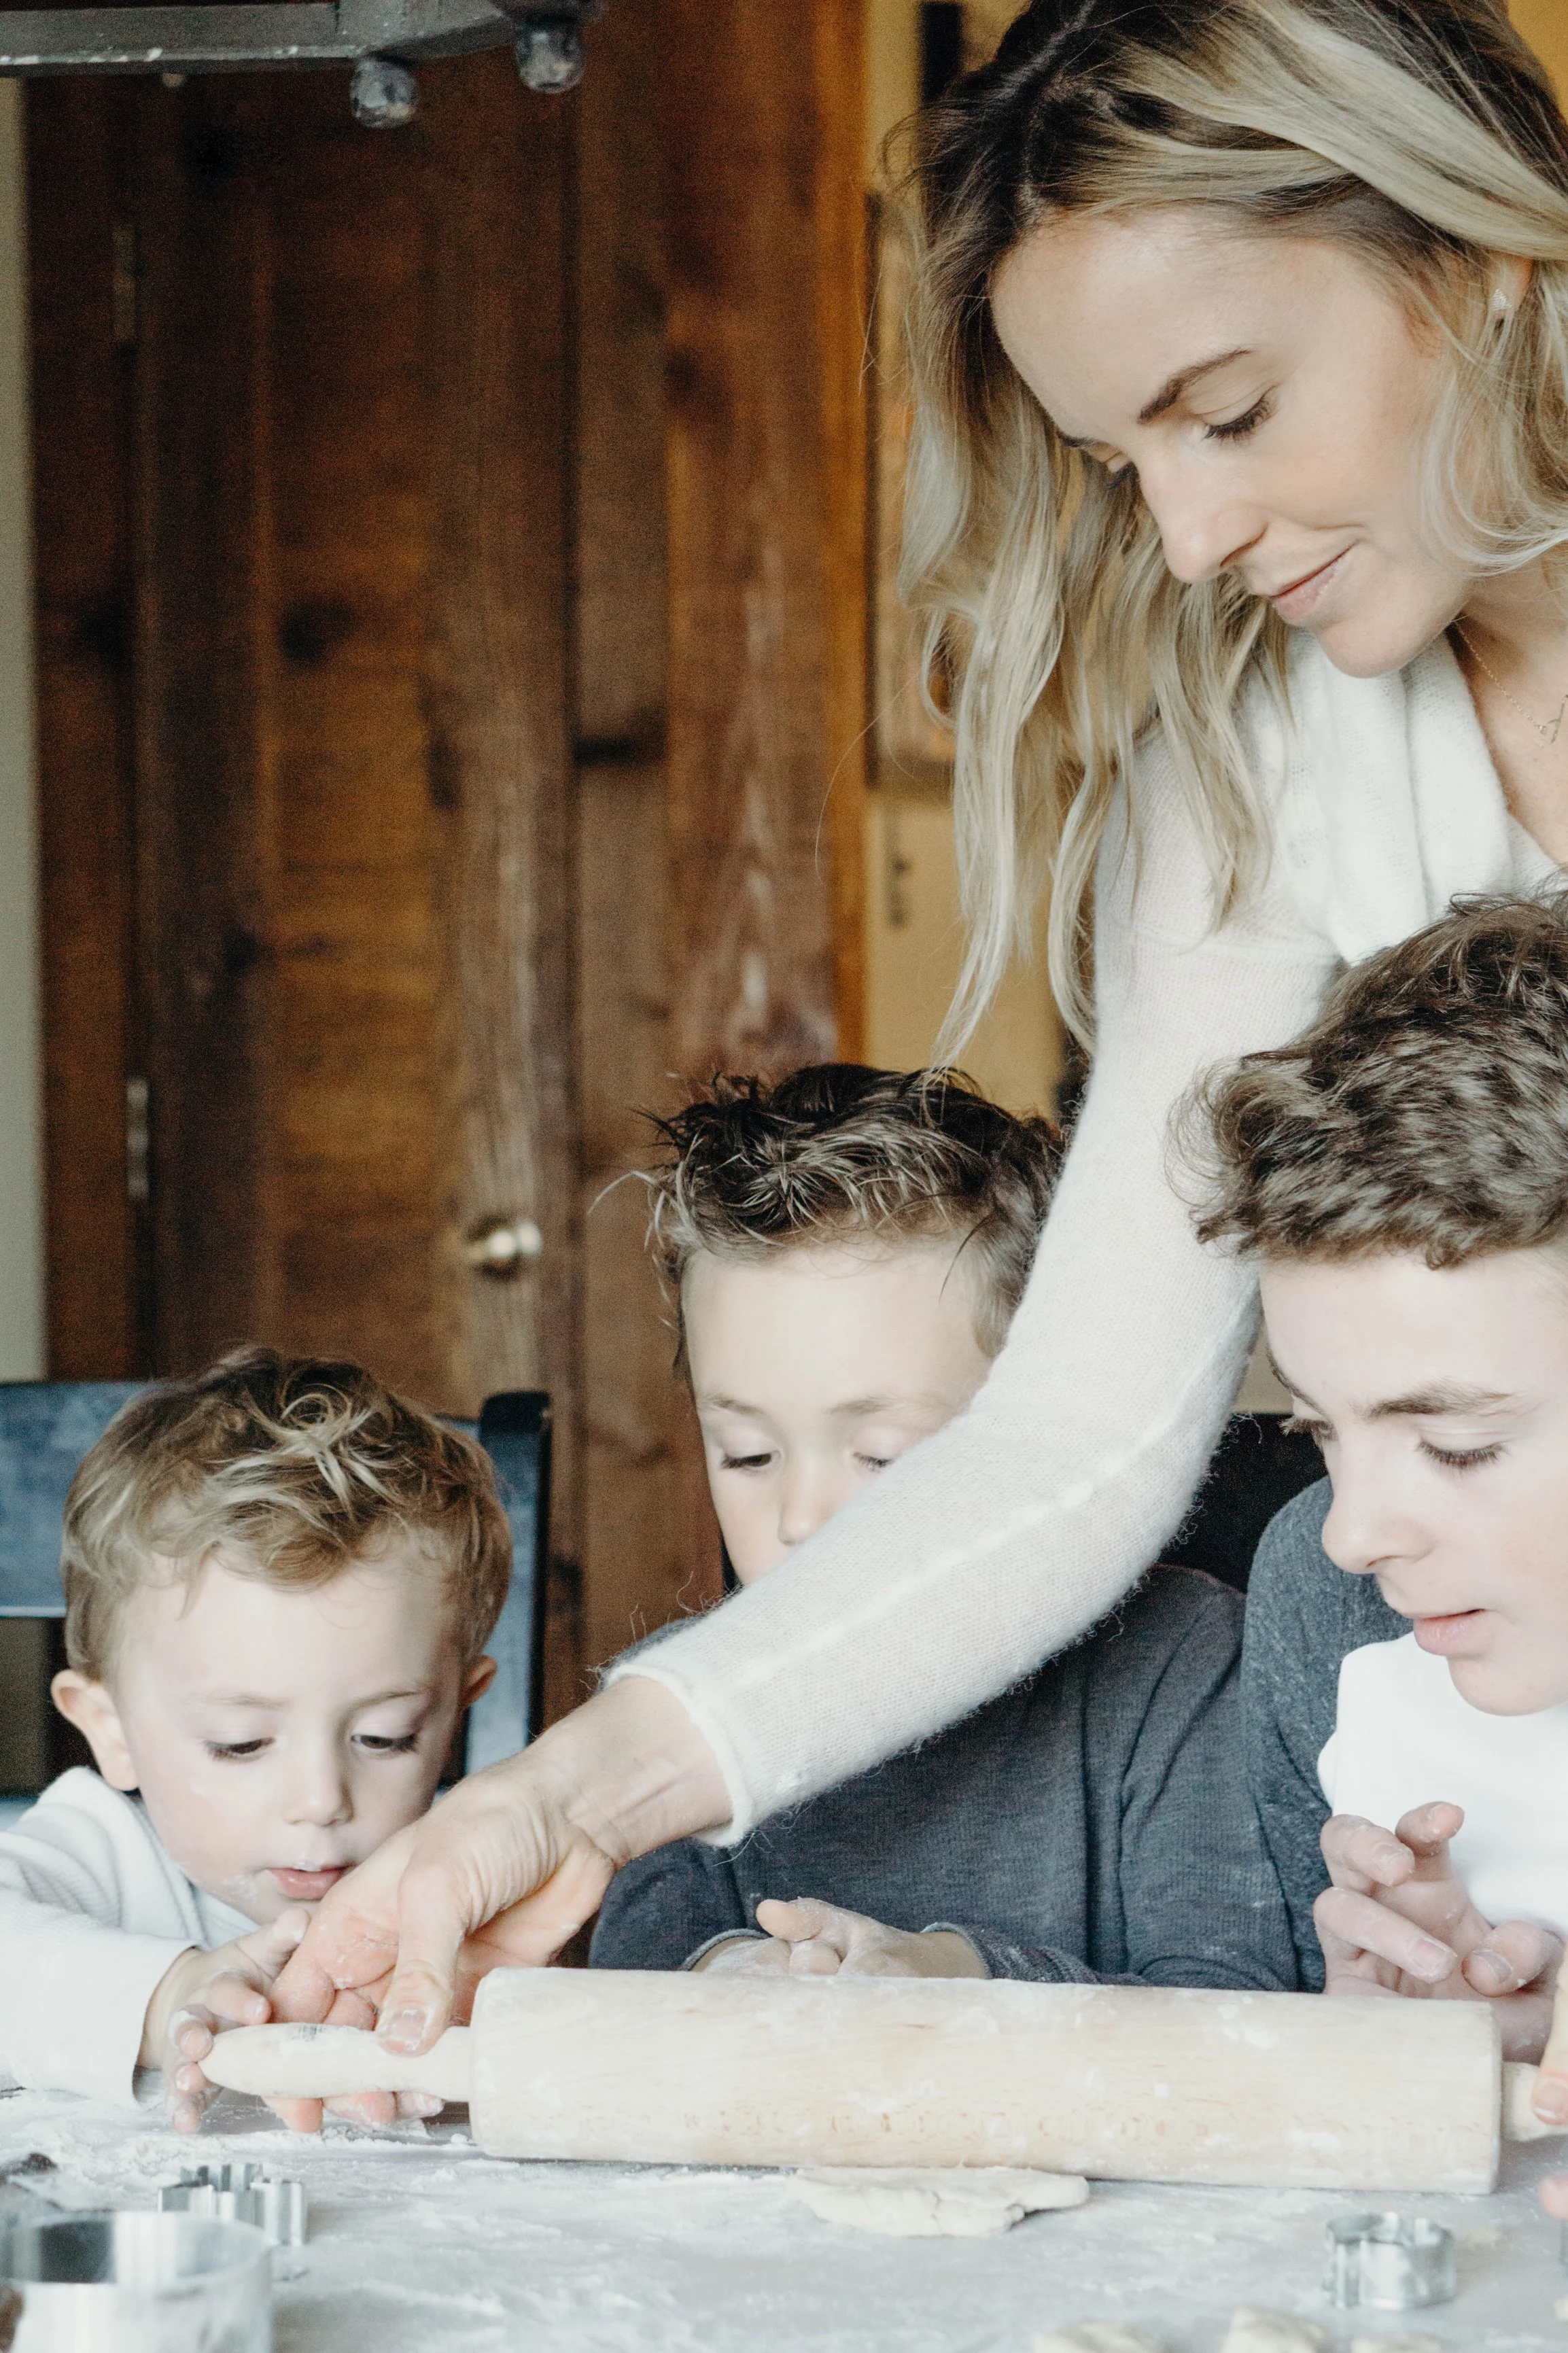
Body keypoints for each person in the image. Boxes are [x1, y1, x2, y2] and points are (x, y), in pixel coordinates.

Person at [271, 1, 1568, 2069]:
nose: (1189, 538)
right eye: (1118, 460)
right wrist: (556, 1799)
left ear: (1487, 260)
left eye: (1226, 408)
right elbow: (1068, 1437)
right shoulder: (1260, 764)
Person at [590, 1065, 1293, 1993]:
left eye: (882, 1456)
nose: (801, 1520)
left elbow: (1233, 1998)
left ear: (1045, 1433)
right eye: (748, 1454)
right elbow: (619, 1982)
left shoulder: (1183, 1669)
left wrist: (958, 1977)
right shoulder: (679, 1700)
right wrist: (729, 1973)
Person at [1181, 894, 1568, 2085]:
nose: (1353, 1533)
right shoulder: (1320, 1599)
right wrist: (1446, 2048)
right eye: (1318, 1431)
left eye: (1453, 1444)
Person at [0, 1348, 507, 2129]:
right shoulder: (99, 1852)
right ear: (111, 1729)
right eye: (240, 1744)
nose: (320, 1801)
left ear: (457, 1712)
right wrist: (168, 1997)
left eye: (384, 1737)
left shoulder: (473, 1882)